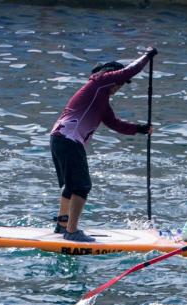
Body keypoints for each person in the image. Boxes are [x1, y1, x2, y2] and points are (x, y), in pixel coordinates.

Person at [50, 48, 156, 242]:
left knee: (72, 185)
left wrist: (140, 129)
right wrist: (147, 56)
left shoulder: (101, 101)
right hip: (68, 139)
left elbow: (115, 124)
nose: (120, 86)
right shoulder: (98, 82)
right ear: (110, 76)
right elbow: (129, 71)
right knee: (82, 186)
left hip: (59, 138)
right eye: (120, 82)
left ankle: (62, 224)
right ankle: (72, 231)